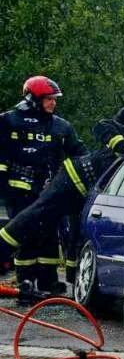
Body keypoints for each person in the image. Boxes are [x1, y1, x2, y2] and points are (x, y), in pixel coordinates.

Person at [0, 119, 124, 301]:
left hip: (88, 194)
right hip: (73, 177)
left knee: (77, 238)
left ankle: (74, 284)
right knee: (35, 216)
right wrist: (123, 145)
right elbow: (101, 125)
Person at [0, 76, 86, 289]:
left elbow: (79, 153)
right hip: (19, 188)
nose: (53, 103)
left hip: (50, 189)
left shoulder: (61, 126)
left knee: (49, 235)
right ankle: (25, 280)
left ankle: (49, 281)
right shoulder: (8, 120)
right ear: (32, 99)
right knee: (25, 232)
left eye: (54, 99)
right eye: (48, 99)